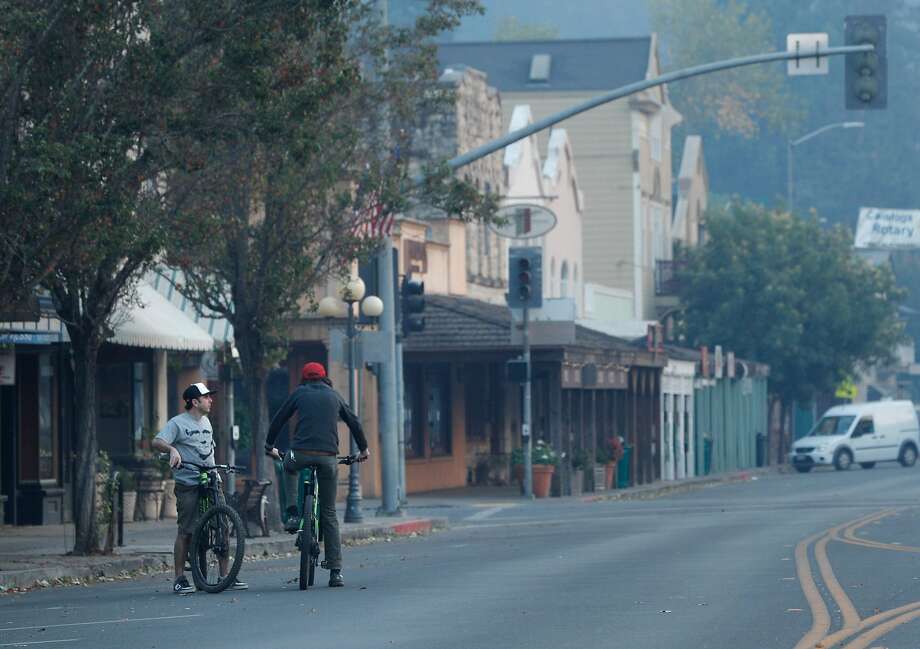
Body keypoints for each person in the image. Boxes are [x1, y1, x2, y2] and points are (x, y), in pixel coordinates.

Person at [266, 362, 369, 588]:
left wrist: (269, 445)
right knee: (329, 512)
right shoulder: (334, 395)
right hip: (328, 457)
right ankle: (335, 571)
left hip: (299, 454)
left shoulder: (299, 393)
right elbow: (353, 421)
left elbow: (280, 418)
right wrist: (363, 449)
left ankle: (293, 513)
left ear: (304, 378)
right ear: (324, 378)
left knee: (288, 465)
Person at [152, 382, 248, 594]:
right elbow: (156, 442)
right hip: (188, 483)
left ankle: (225, 576)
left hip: (212, 480)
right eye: (206, 397)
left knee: (223, 526)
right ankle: (179, 578)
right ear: (195, 402)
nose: (211, 400)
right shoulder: (177, 423)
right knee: (186, 531)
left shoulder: (206, 421)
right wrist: (172, 450)